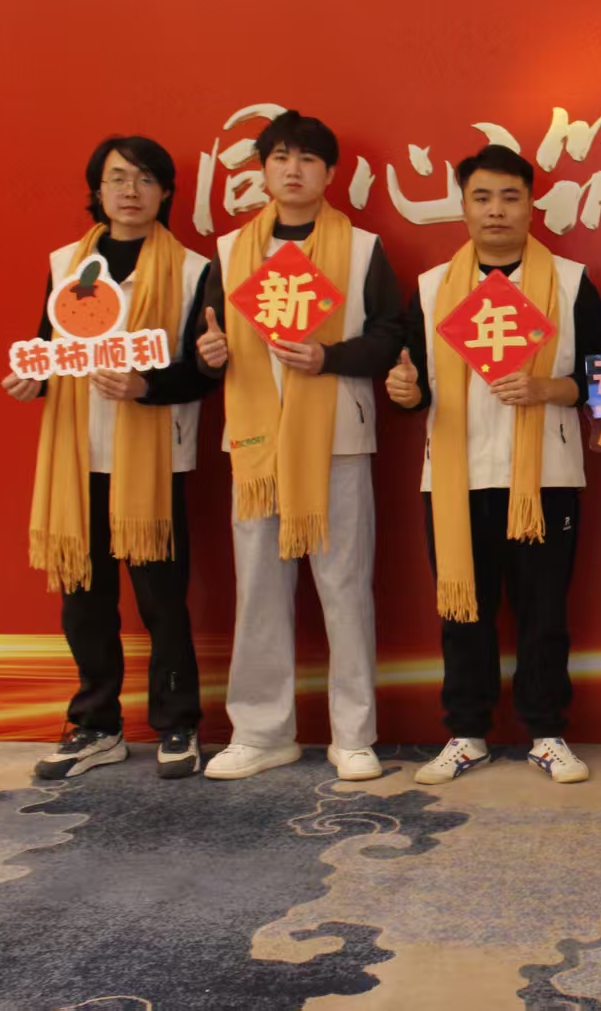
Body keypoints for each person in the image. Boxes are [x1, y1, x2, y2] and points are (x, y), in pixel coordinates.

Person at [386, 145, 601, 787]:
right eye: (482, 198)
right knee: (463, 612)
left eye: (510, 197)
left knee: (544, 613)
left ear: (532, 205)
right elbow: (414, 385)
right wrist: (405, 392)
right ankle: (466, 733)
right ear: (462, 207)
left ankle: (547, 733)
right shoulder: (431, 288)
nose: (496, 210)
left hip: (546, 477)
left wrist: (548, 388)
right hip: (457, 477)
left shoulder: (571, 281)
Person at [196, 111, 402, 782]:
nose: (293, 169)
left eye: (308, 159)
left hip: (337, 440)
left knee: (344, 587)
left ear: (330, 173)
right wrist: (208, 353)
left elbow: (390, 336)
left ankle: (354, 735)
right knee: (257, 586)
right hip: (257, 448)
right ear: (261, 170)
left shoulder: (363, 248)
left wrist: (328, 356)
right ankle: (260, 732)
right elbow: (206, 341)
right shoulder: (231, 250)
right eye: (281, 157)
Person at [13, 136, 217, 780]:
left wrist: (145, 384)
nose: (131, 191)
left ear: (166, 192)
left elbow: (205, 373)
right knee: (84, 601)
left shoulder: (193, 270)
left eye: (146, 179)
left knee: (162, 602)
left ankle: (178, 723)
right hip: (77, 461)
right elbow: (50, 348)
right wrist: (32, 379)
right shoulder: (65, 264)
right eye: (118, 178)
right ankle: (97, 726)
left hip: (154, 463)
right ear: (97, 190)